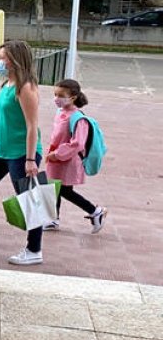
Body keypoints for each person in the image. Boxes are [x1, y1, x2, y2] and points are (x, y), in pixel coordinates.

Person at [0, 41, 45, 265]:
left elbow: (31, 125)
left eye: (2, 58)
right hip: (0, 150)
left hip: (21, 153)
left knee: (30, 200)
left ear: (15, 60)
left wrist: (29, 159)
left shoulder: (25, 87)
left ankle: (34, 250)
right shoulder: (7, 83)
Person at [44, 79, 108, 233]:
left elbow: (77, 144)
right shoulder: (61, 113)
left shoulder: (78, 118)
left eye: (61, 95)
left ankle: (94, 211)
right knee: (54, 187)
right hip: (56, 159)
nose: (56, 98)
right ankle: (53, 218)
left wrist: (57, 154)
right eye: (55, 94)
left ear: (72, 97)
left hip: (66, 161)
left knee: (64, 190)